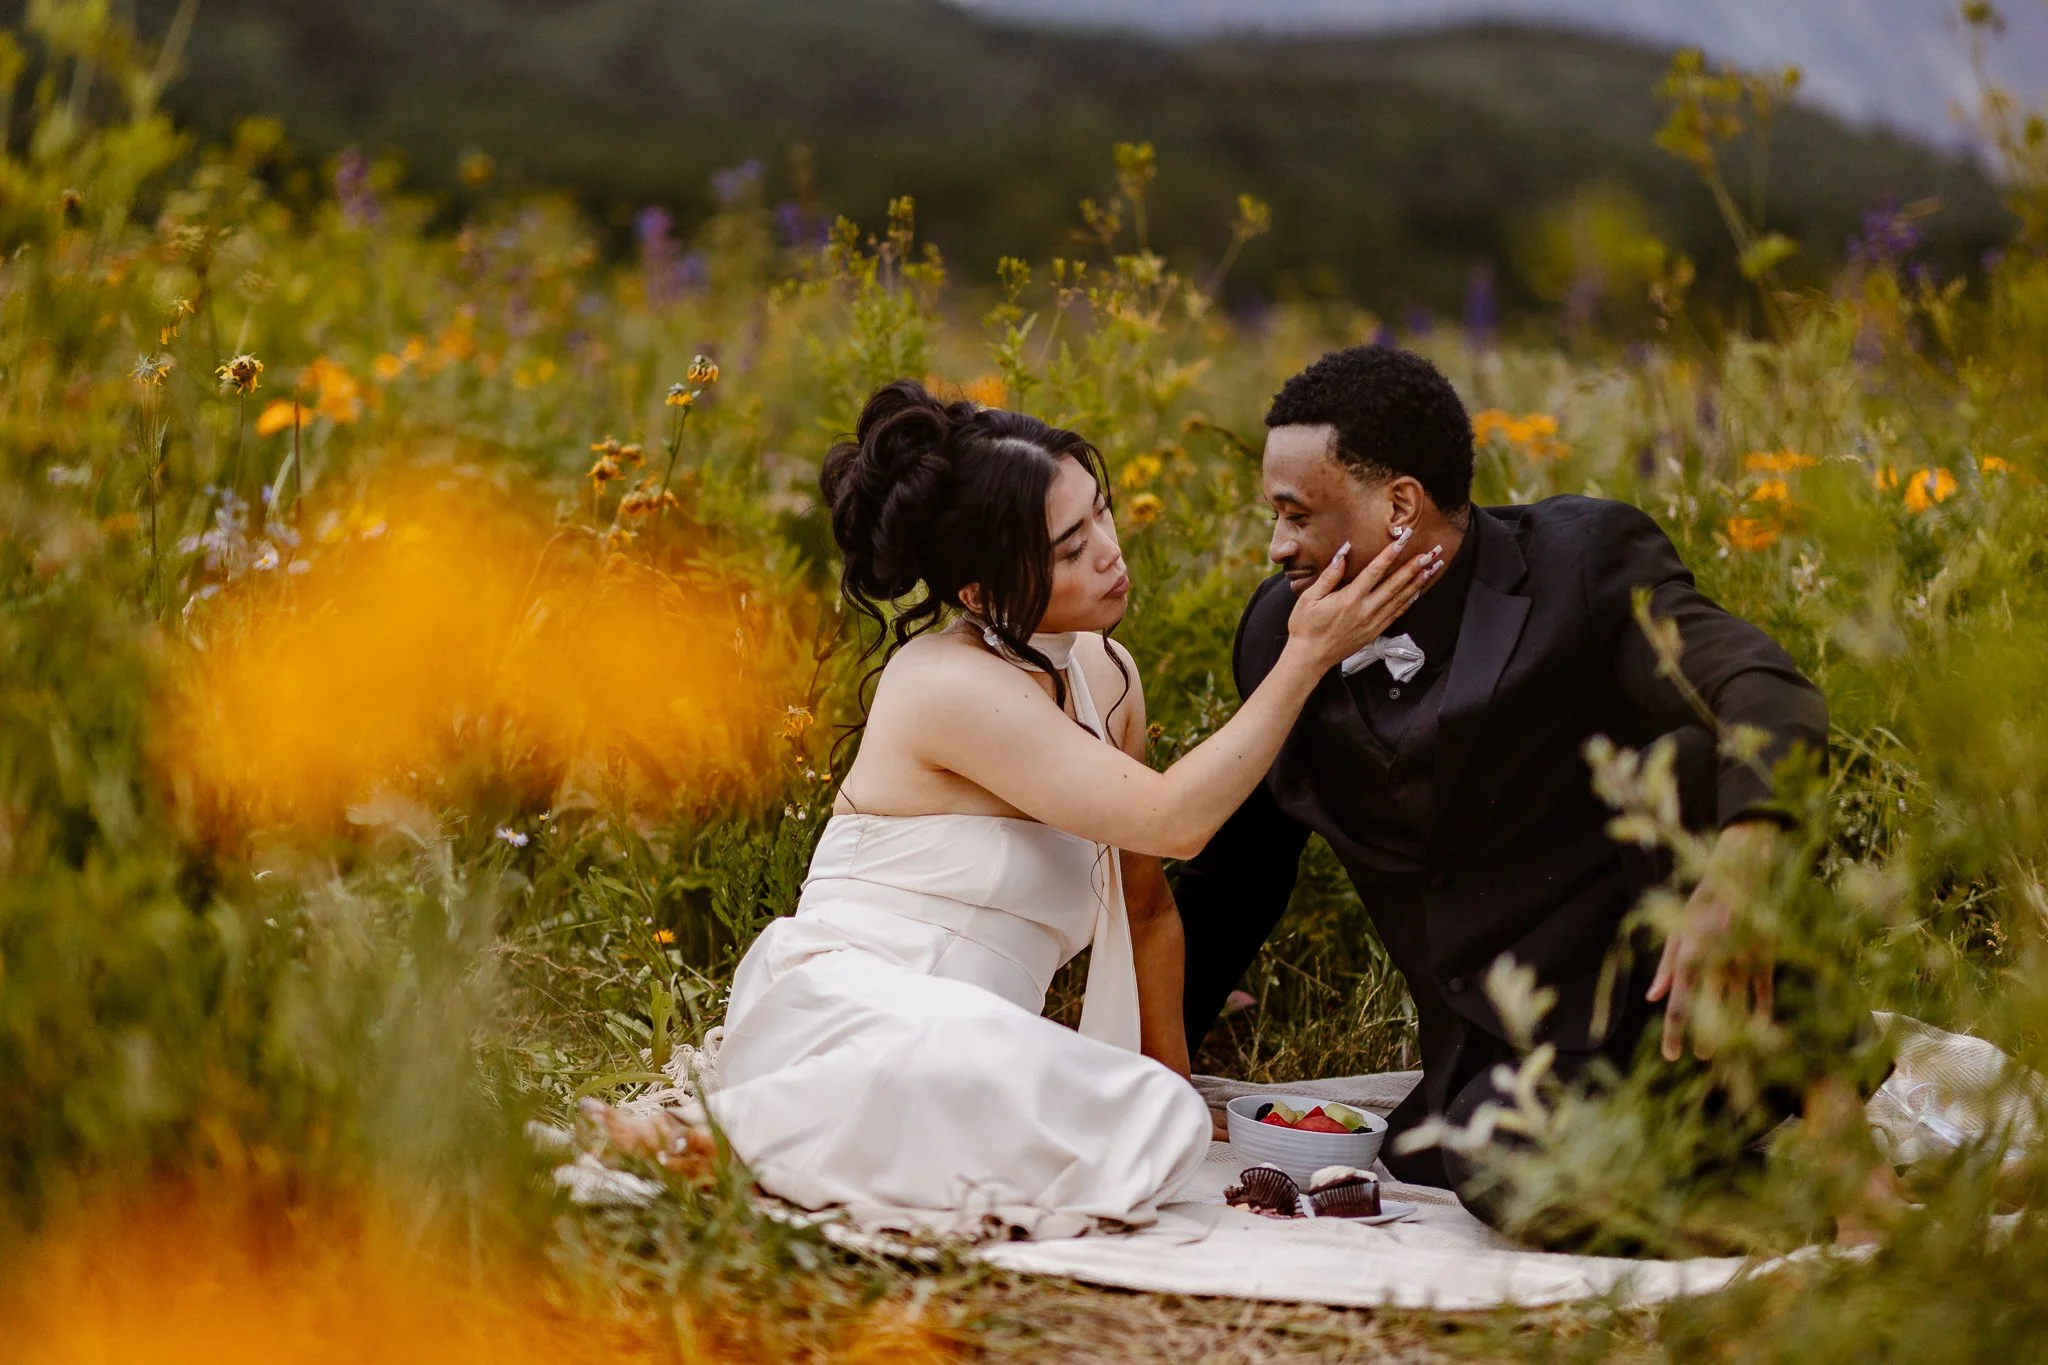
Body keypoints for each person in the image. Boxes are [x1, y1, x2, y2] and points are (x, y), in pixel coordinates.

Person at [704, 379, 1440, 1237]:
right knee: (977, 1063)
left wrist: (1176, 1077)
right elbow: (1176, 819)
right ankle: (737, 1133)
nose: (1108, 552)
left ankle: (808, 1144)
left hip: (981, 1046)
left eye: (1101, 514)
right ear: (979, 593)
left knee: (1153, 1120)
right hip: (850, 1011)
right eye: (1066, 548)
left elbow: (1146, 900)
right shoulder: (945, 683)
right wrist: (1306, 654)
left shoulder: (1106, 674)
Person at [1173, 344, 1838, 1245]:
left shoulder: (1580, 564)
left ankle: (1839, 1152)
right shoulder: (1279, 637)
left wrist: (1746, 861)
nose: (1277, 544)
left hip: (1663, 988)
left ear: (1399, 505)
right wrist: (1144, 1077)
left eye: (1297, 514)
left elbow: (1765, 688)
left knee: (1694, 762)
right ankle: (1755, 1196)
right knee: (1503, 1172)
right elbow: (1234, 879)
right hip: (1497, 1052)